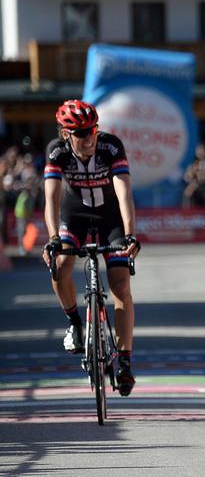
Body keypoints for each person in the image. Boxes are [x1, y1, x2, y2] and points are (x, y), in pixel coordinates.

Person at [41, 99, 141, 397]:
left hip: (111, 217)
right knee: (60, 266)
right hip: (75, 216)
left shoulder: (111, 147)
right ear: (65, 134)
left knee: (121, 286)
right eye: (80, 132)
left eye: (92, 129)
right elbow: (51, 199)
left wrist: (131, 234)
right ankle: (74, 323)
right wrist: (51, 237)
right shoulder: (56, 152)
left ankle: (124, 362)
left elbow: (124, 193)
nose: (89, 137)